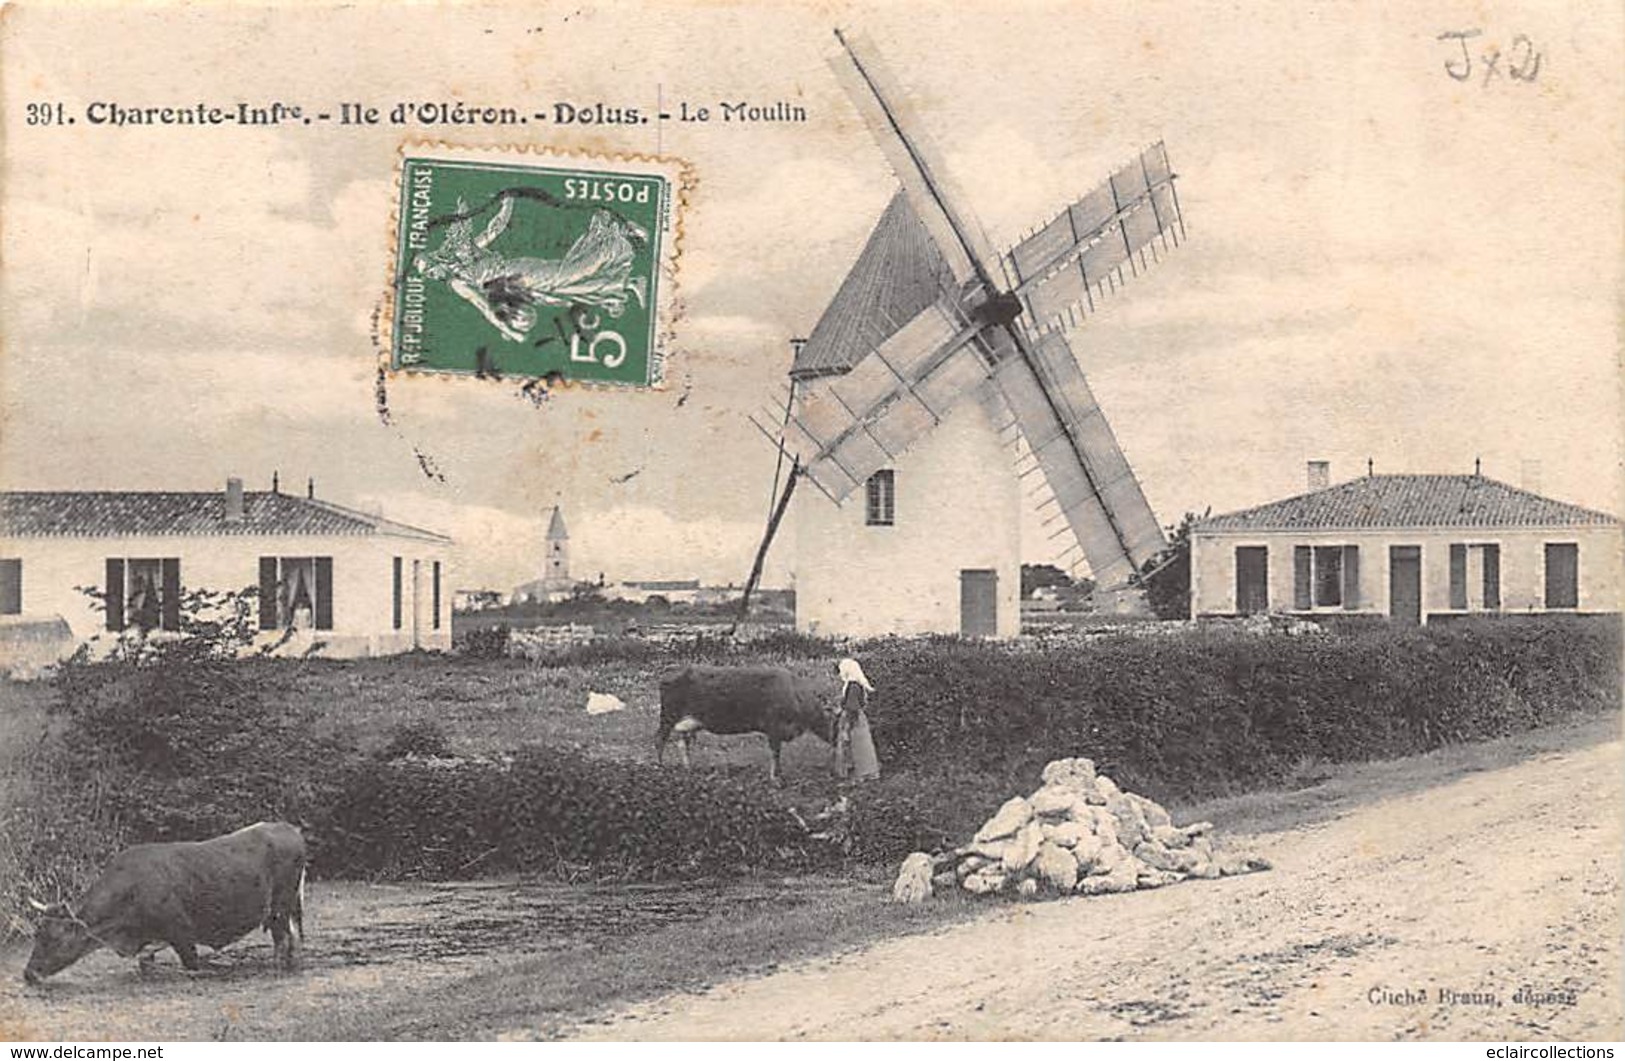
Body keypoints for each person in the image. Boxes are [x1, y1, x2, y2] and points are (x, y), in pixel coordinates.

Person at [834, 657, 880, 782]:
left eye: (841, 670)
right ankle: (864, 774)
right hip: (858, 718)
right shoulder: (857, 684)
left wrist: (846, 727)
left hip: (853, 719)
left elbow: (852, 707)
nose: (840, 673)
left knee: (854, 746)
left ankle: (857, 776)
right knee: (861, 746)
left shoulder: (853, 686)